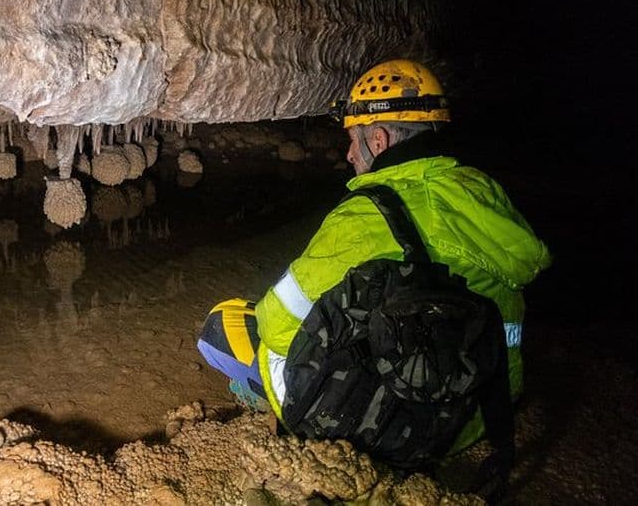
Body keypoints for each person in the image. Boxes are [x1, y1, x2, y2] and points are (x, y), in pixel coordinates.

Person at [198, 59, 550, 493]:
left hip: (367, 423)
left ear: (378, 139)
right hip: (463, 420)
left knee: (226, 325)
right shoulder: (488, 201)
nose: (349, 153)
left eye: (352, 139)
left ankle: (269, 407)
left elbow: (278, 322)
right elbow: (508, 347)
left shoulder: (365, 215)